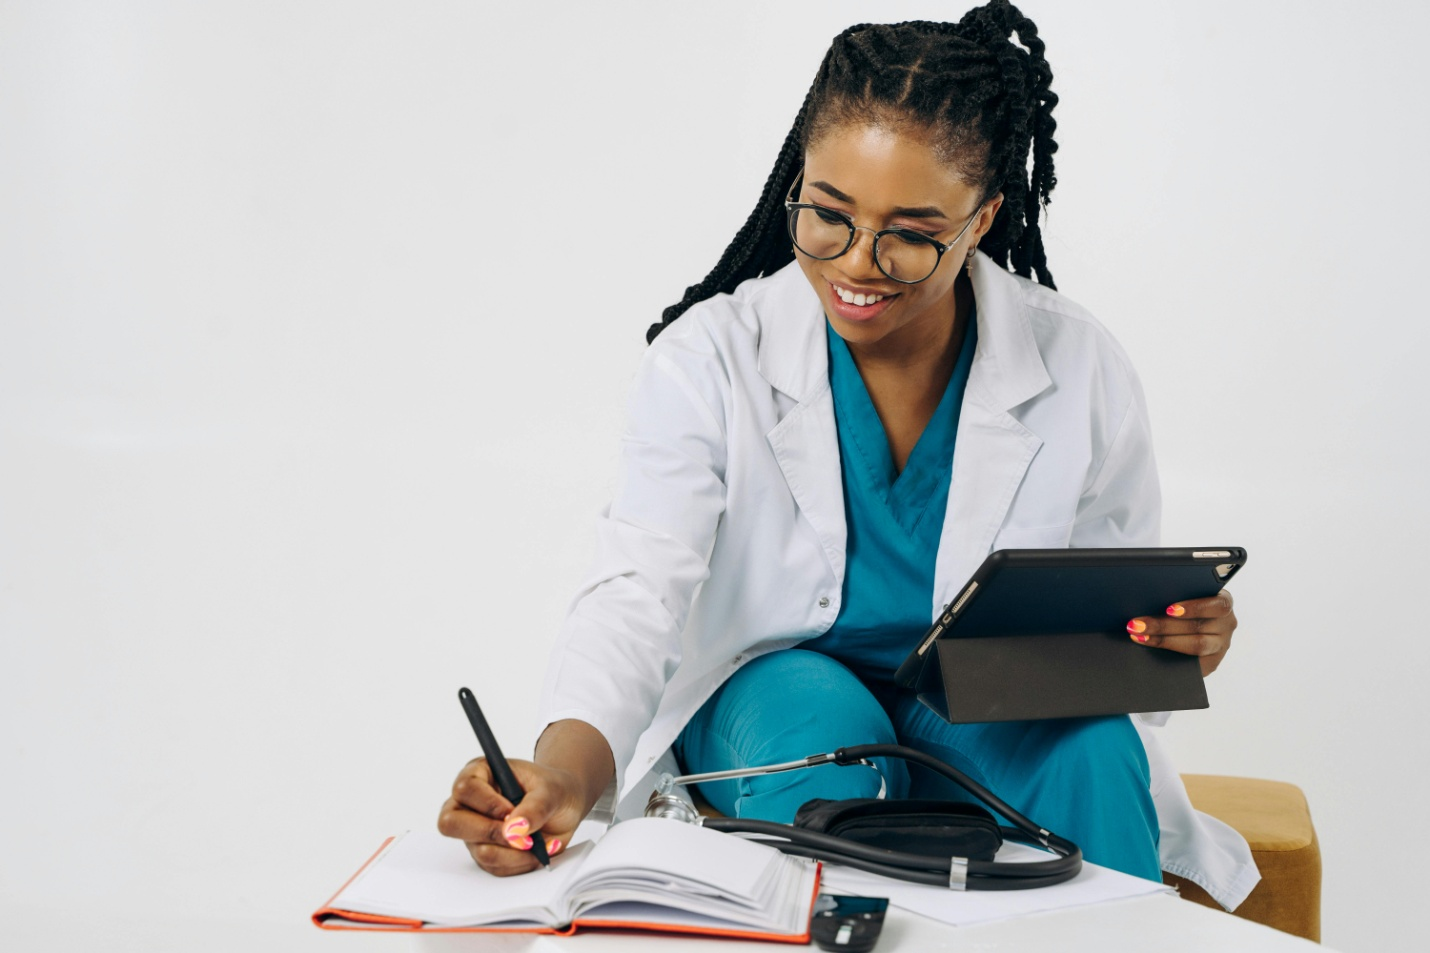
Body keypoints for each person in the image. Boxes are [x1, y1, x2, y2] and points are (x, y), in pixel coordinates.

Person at [437, 0, 1260, 911]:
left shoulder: (1079, 364)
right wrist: (563, 775)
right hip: (775, 704)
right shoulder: (712, 358)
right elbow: (637, 592)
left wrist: (1168, 642)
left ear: (981, 218)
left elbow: (1101, 614)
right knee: (827, 731)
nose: (857, 264)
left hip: (976, 715)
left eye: (910, 234)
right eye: (828, 215)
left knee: (1095, 745)